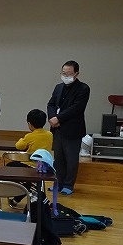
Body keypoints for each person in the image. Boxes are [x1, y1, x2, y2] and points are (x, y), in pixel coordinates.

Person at [47, 60, 90, 195]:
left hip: (72, 129)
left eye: (69, 74)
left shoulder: (83, 88)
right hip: (57, 128)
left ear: (76, 73)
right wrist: (52, 117)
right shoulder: (58, 87)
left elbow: (77, 108)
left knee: (71, 159)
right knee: (58, 158)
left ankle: (68, 185)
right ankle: (58, 183)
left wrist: (59, 118)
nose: (65, 76)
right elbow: (51, 104)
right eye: (63, 73)